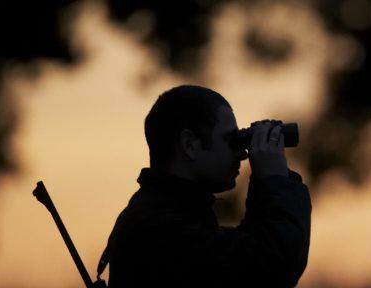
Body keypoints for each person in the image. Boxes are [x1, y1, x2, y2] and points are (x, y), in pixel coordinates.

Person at [99, 85, 311, 287]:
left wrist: (271, 185)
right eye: (231, 140)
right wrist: (274, 181)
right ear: (190, 145)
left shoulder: (167, 215)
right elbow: (268, 269)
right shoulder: (158, 230)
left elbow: (246, 253)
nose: (242, 153)